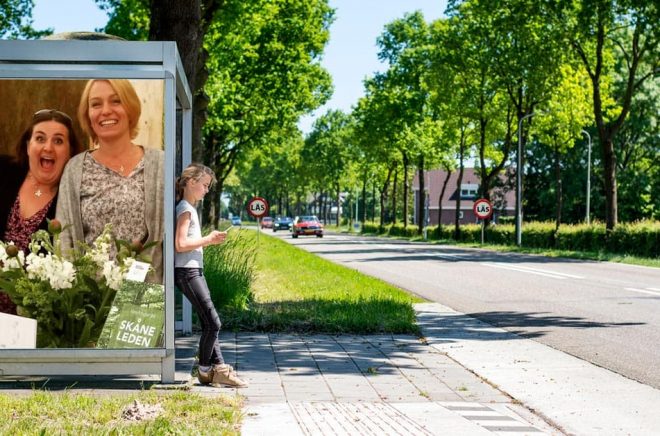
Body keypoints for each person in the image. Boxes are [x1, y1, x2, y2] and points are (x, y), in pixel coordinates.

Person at [56, 79, 164, 283]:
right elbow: (64, 240)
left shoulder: (160, 164)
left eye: (116, 101)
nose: (105, 111)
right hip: (89, 300)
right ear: (88, 114)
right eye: (96, 104)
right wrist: (71, 298)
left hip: (142, 297)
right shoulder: (75, 168)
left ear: (130, 108)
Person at [0, 109, 82, 314]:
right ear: (28, 146)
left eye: (58, 141)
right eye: (40, 138)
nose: (48, 147)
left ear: (70, 152)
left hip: (32, 326)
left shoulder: (72, 201)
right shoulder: (3, 171)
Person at [175, 163, 247, 388]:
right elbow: (181, 244)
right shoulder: (185, 209)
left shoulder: (188, 207)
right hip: (188, 272)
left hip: (194, 270)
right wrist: (209, 239)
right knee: (213, 323)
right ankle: (207, 370)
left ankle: (217, 370)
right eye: (205, 185)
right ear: (191, 182)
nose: (207, 190)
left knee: (210, 321)